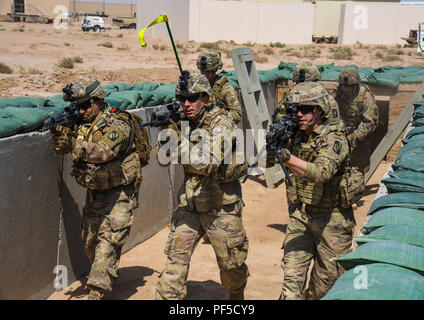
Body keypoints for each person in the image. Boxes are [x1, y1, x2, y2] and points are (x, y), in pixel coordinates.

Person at [51, 78, 150, 300]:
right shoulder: (82, 122)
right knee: (90, 244)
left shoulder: (118, 123)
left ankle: (96, 292)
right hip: (95, 191)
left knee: (108, 243)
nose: (82, 111)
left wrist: (74, 143)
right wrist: (61, 136)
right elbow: (62, 149)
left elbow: (103, 152)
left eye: (86, 105)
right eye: (78, 106)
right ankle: (106, 273)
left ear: (99, 101)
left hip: (120, 193)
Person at [155, 71, 249, 300]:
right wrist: (167, 132)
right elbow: (161, 159)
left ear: (206, 99)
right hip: (190, 205)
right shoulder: (183, 122)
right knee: (173, 269)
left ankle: (236, 296)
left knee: (232, 269)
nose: (186, 104)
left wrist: (177, 142)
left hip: (221, 208)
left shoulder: (222, 123)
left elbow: (206, 162)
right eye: (182, 99)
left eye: (193, 98)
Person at [267, 82, 355, 300]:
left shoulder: (334, 138)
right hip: (301, 215)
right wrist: (273, 145)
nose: (298, 114)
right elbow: (266, 162)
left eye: (305, 109)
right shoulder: (295, 133)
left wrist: (286, 156)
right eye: (294, 109)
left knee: (324, 289)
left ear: (319, 111)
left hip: (332, 221)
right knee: (291, 284)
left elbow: (321, 173)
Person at [334, 67, 379, 173]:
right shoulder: (337, 95)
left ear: (357, 85)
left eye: (351, 86)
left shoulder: (365, 97)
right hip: (341, 137)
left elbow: (370, 122)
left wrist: (354, 137)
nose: (347, 89)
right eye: (344, 86)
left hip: (359, 141)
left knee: (357, 172)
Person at [196, 49, 242, 125]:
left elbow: (237, 113)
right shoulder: (197, 86)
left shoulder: (225, 88)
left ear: (216, 69)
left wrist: (218, 119)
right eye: (203, 71)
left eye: (209, 71)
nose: (205, 75)